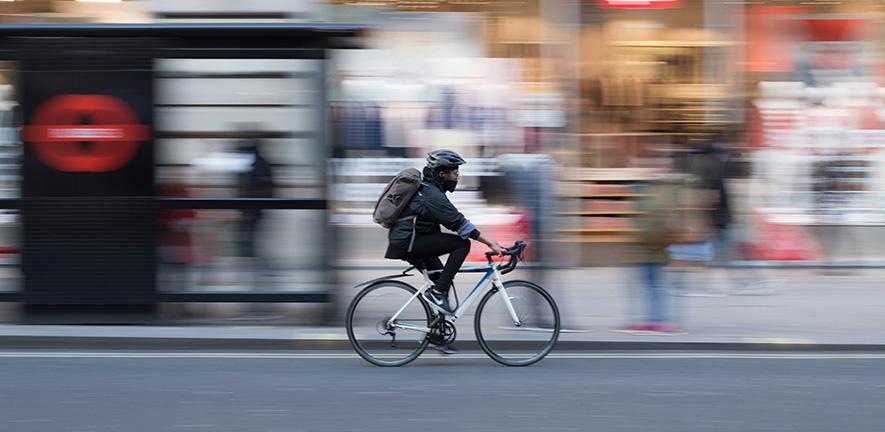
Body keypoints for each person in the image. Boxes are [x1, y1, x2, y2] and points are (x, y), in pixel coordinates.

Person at [385, 149, 504, 314]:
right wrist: (490, 243)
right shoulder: (431, 194)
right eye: (455, 172)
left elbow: (453, 220)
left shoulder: (431, 189)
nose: (457, 176)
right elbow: (458, 222)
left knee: (443, 279)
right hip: (408, 242)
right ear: (442, 174)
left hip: (413, 240)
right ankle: (437, 293)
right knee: (462, 244)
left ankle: (437, 328)